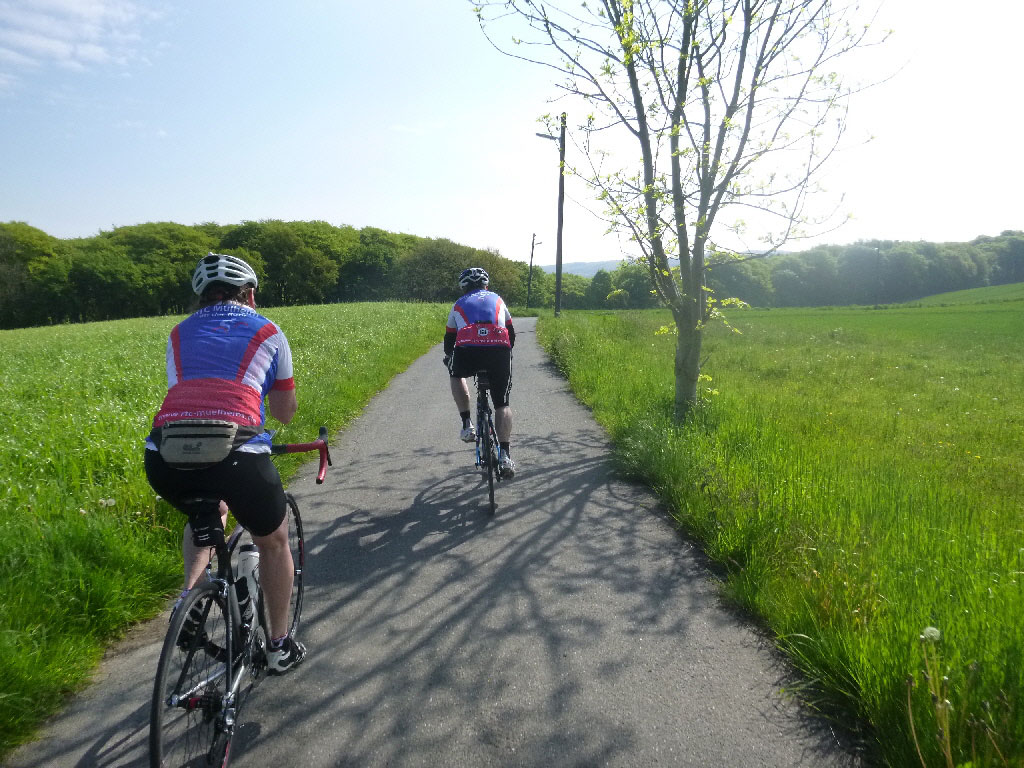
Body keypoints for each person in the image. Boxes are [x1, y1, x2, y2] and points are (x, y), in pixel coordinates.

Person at [143, 252, 305, 674]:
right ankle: (278, 646)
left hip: (164, 455)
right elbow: (285, 412)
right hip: (237, 452)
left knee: (206, 509)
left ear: (201, 297)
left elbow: (188, 397)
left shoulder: (179, 333)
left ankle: (189, 599)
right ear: (249, 295)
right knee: (273, 541)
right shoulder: (268, 330)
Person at [443, 267, 517, 476]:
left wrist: (449, 358)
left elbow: (449, 340)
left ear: (463, 287)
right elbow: (511, 334)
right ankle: (505, 456)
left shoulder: (458, 304)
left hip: (468, 351)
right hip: (498, 351)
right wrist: (504, 354)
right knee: (502, 403)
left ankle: (467, 424)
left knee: (455, 374)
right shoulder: (498, 299)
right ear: (486, 285)